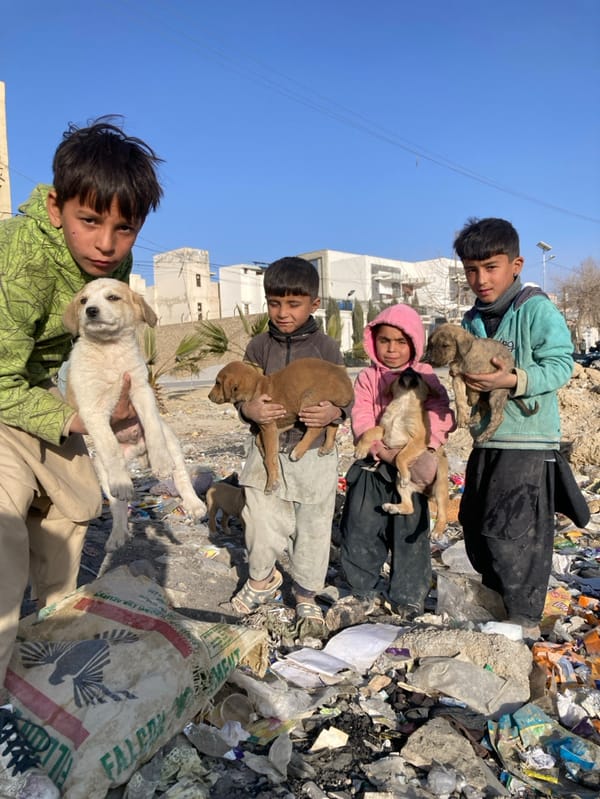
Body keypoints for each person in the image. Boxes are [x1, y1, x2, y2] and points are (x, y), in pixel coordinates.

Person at [0, 116, 163, 797]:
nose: (106, 244)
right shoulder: (22, 258)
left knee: (82, 501)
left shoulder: (111, 264)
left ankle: (44, 634)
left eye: (123, 230)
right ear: (53, 207)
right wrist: (78, 417)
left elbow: (112, 346)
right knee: (3, 520)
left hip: (35, 390)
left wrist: (120, 408)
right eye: (90, 221)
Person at [454, 217, 589, 642]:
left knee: (515, 531)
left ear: (517, 264)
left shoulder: (534, 309)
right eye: (471, 270)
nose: (480, 279)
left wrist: (512, 380)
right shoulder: (472, 320)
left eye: (491, 267)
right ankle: (498, 605)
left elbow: (561, 364)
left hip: (528, 440)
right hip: (487, 438)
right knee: (475, 522)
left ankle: (524, 620)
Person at [230, 256, 352, 634]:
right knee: (261, 521)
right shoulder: (258, 347)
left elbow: (344, 395)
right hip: (266, 449)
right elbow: (239, 390)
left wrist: (335, 413)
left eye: (293, 304)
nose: (282, 312)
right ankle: (263, 581)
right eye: (274, 303)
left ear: (314, 304)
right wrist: (247, 409)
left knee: (313, 526)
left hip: (314, 454)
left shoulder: (327, 348)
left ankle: (305, 596)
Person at [338, 305, 455, 620]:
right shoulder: (367, 378)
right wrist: (378, 448)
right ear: (373, 340)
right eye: (385, 340)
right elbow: (361, 416)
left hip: (412, 467)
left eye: (401, 342)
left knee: (409, 533)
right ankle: (360, 590)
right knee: (360, 527)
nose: (391, 349)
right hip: (373, 466)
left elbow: (441, 410)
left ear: (415, 344)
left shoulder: (425, 376)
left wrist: (427, 445)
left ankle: (408, 595)